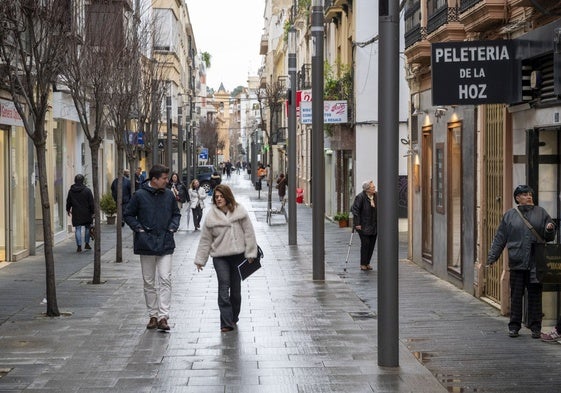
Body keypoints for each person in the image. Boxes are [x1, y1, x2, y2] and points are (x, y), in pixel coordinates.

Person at [487, 185, 556, 338]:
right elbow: (500, 238)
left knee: (535, 296)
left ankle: (535, 326)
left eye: (530, 194)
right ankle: (514, 326)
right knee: (516, 295)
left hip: (536, 263)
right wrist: (492, 257)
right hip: (517, 261)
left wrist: (550, 229)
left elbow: (549, 236)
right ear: (517, 198)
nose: (529, 196)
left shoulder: (541, 213)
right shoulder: (510, 215)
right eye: (524, 194)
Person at [124, 164, 181, 331]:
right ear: (154, 179)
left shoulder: (169, 195)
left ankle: (164, 316)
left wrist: (172, 227)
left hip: (165, 242)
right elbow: (128, 214)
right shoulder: (140, 195)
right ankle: (153, 315)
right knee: (148, 281)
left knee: (165, 278)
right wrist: (139, 229)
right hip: (146, 243)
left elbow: (176, 214)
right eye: (164, 178)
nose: (167, 181)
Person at [194, 184, 258, 332]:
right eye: (216, 197)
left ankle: (234, 317)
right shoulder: (211, 216)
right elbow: (205, 240)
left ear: (227, 196)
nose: (218, 199)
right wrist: (200, 260)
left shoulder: (239, 211)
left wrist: (250, 253)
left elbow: (249, 233)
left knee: (235, 291)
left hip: (238, 256)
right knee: (224, 286)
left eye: (221, 196)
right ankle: (226, 322)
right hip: (220, 257)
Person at [351, 180, 378, 271]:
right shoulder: (360, 197)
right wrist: (357, 223)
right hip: (363, 225)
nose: (374, 188)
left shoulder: (376, 196)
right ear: (367, 189)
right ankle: (363, 264)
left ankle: (367, 263)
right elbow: (355, 211)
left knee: (372, 245)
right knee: (365, 244)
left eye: (374, 187)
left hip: (374, 225)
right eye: (372, 187)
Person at [66, 174, 94, 252]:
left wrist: (68, 209)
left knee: (77, 229)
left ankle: (79, 246)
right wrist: (93, 212)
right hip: (86, 212)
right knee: (87, 228)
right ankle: (87, 243)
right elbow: (91, 202)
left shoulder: (71, 191)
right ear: (83, 181)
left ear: (75, 180)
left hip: (76, 212)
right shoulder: (87, 190)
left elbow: (68, 201)